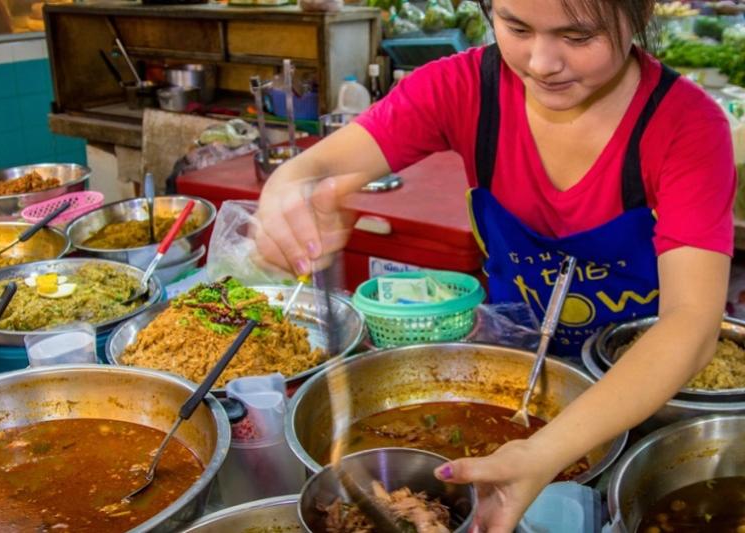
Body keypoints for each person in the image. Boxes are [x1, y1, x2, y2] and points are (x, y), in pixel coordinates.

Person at [253, 0, 735, 529]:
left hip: (641, 387)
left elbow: (692, 323)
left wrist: (542, 452)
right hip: (516, 352)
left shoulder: (685, 126)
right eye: (516, 26)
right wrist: (288, 188)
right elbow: (318, 165)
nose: (541, 62)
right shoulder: (462, 88)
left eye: (578, 36)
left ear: (638, 14)